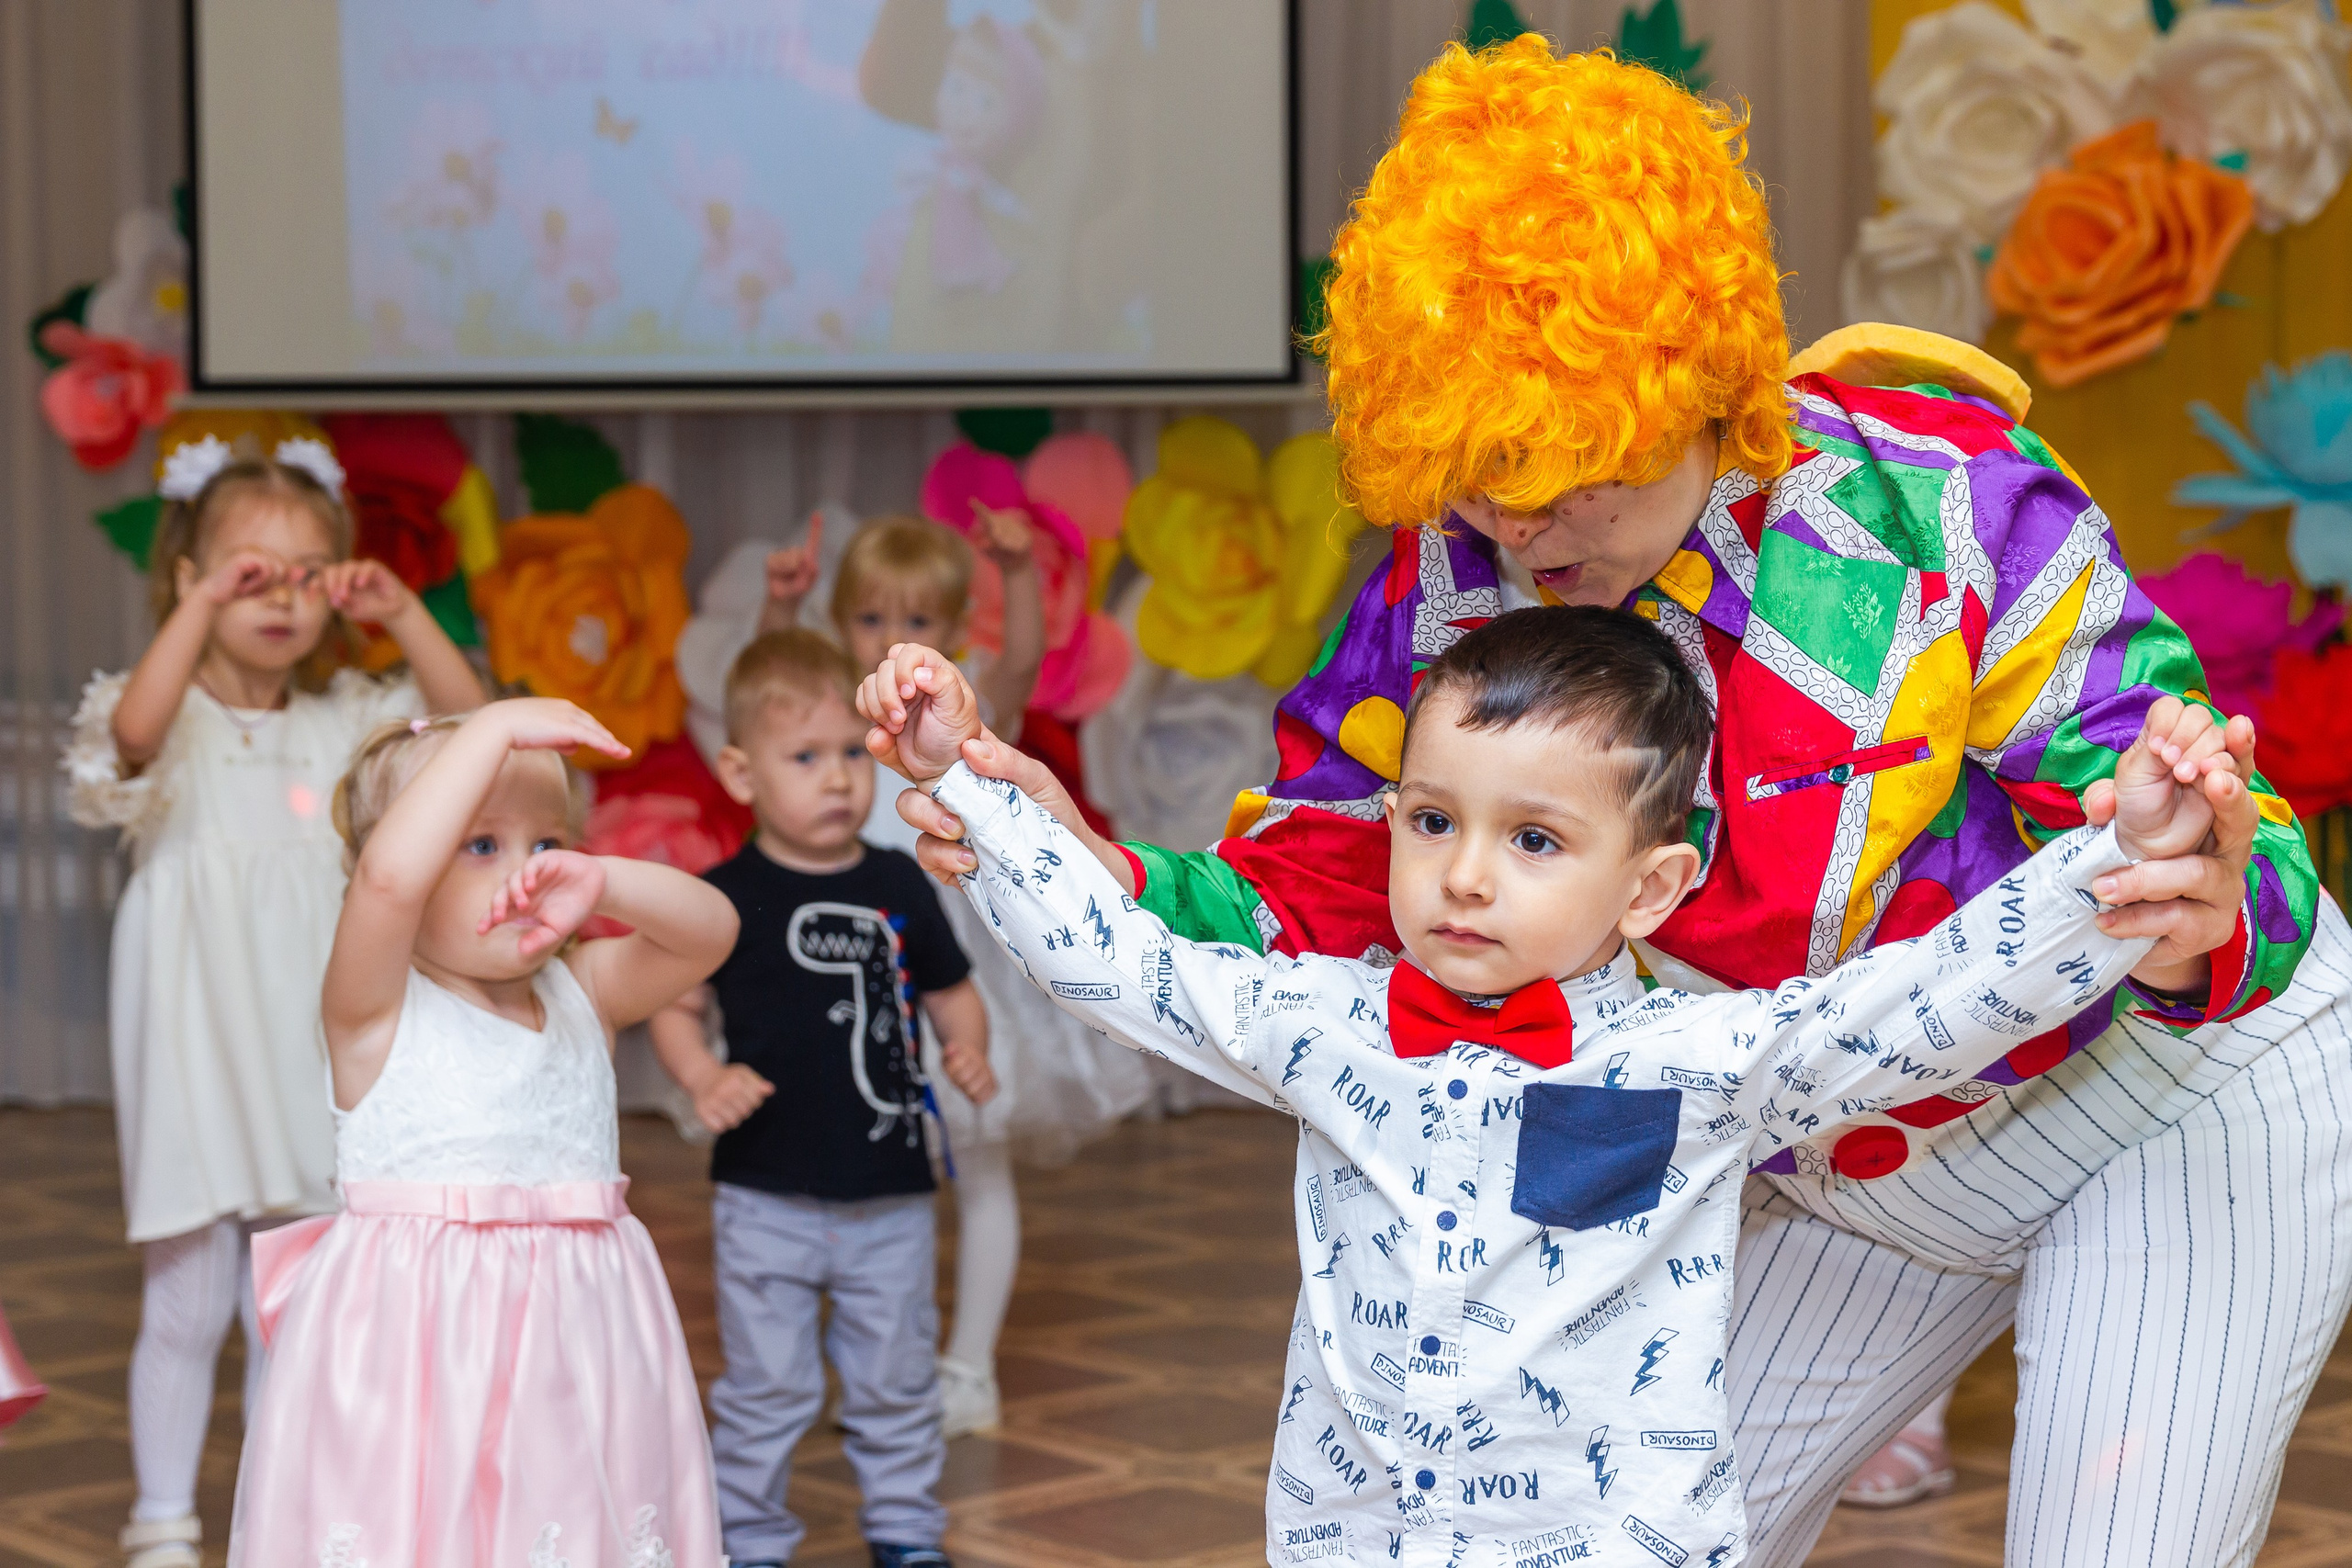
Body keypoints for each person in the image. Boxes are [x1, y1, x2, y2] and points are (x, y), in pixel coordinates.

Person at [899, 39, 2352, 1566]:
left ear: (1697, 376)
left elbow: (2198, 822)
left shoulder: (1942, 505)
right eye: (1477, 474)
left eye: (1569, 467)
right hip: (1850, 1154)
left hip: (2170, 1108)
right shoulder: (1451, 570)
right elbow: (1328, 867)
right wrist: (1091, 867)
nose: (1519, 522)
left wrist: (2194, 893)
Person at [858, 605, 2245, 1565]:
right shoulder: (1327, 1021)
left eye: (1532, 836)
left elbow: (1927, 1001)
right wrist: (965, 790)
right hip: (1358, 1534)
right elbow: (1123, 964)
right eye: (1433, 818)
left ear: (1650, 887)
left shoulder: (1700, 1060)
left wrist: (2121, 851)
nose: (1464, 872)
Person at [61, 440, 485, 1568]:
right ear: (190, 575)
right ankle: (162, 1522)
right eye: (248, 569)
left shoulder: (344, 718)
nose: (279, 594)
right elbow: (134, 738)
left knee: (295, 1297)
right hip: (198, 1039)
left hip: (302, 1042)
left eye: (308, 571)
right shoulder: (162, 714)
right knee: (188, 1296)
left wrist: (402, 613)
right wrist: (199, 607)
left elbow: (473, 727)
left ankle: (291, 1516)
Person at [226, 697, 735, 1566]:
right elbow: (389, 879)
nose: (526, 873)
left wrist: (601, 880)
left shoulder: (586, 992)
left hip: (577, 1350)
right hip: (420, 1356)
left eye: (547, 842)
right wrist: (494, 728)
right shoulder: (373, 1010)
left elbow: (712, 932)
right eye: (480, 842)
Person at [762, 513, 1150, 1437]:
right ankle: (855, 1362)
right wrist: (779, 608)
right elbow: (766, 685)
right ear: (836, 628)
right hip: (847, 993)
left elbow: (1019, 658)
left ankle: (967, 1368)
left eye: (923, 622)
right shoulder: (829, 716)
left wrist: (1018, 571)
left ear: (956, 635)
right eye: (867, 619)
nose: (894, 639)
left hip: (954, 992)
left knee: (979, 1173)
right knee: (843, 1183)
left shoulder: (965, 723)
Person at [648, 629, 996, 1568]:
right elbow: (672, 1007)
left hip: (889, 1193)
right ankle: (750, 1540)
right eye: (804, 757)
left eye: (852, 753)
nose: (838, 779)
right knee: (765, 1389)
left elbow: (951, 989)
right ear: (740, 770)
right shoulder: (721, 898)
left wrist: (967, 1048)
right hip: (762, 1196)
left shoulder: (899, 879)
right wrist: (700, 1078)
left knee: (894, 1380)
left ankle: (905, 1531)